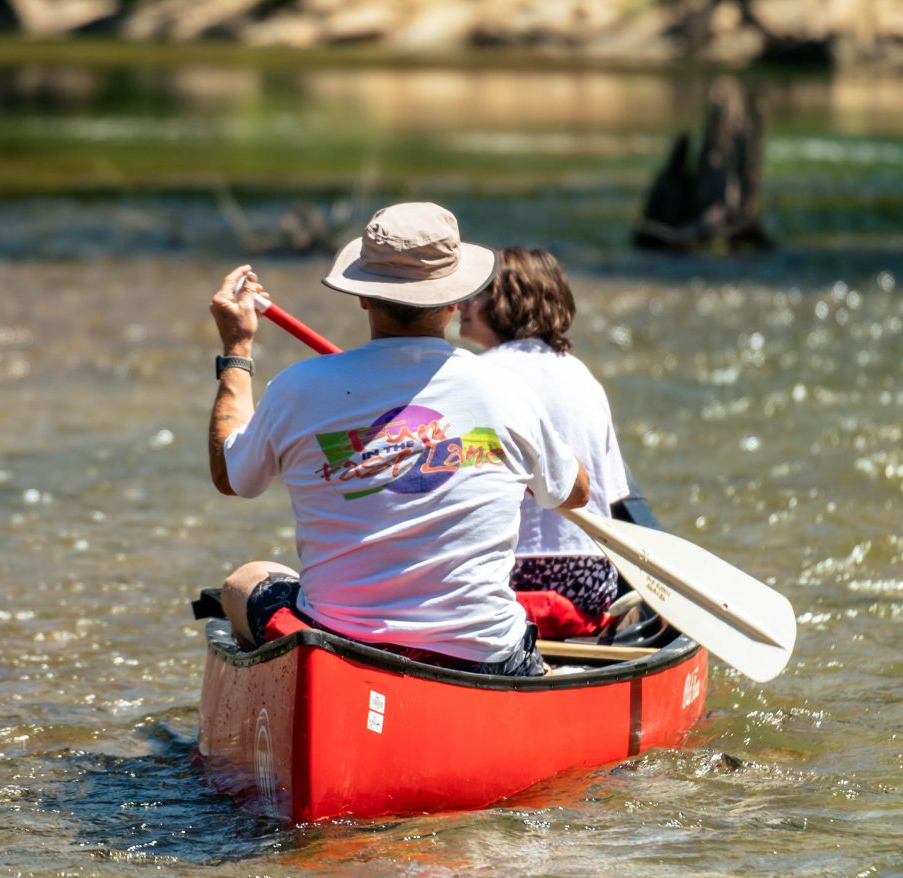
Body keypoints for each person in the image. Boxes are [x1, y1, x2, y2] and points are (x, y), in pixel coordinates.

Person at [207, 202, 590, 678]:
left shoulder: (296, 387)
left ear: (363, 297)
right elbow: (575, 493)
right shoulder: (507, 390)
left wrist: (237, 351)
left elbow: (232, 476)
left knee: (244, 582)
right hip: (487, 658)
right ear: (455, 300)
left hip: (341, 649)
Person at [458, 246, 633, 638]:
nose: (463, 304)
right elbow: (614, 495)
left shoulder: (474, 376)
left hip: (508, 577)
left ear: (513, 301)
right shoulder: (584, 377)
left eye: (479, 293)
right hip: (589, 583)